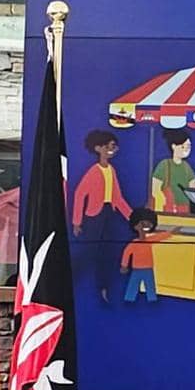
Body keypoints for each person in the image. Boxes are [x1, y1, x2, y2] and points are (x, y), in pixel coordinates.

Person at [72, 129, 132, 302]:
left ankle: (103, 287)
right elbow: (79, 194)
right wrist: (77, 221)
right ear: (99, 148)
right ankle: (72, 278)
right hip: (94, 215)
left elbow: (118, 198)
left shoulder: (111, 170)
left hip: (108, 213)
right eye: (110, 146)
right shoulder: (94, 171)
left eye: (114, 147)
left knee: (106, 251)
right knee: (89, 251)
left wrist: (131, 218)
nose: (113, 150)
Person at [151, 127, 195, 213]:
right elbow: (155, 190)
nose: (186, 149)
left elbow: (194, 188)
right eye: (183, 146)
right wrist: (162, 201)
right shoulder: (164, 165)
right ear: (174, 146)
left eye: (188, 146)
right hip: (166, 208)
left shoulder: (186, 167)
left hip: (184, 207)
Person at [121, 206, 160, 303]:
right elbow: (126, 253)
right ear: (135, 226)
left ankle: (152, 299)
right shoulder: (134, 243)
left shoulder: (150, 240)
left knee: (150, 285)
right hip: (137, 268)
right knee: (133, 285)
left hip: (148, 268)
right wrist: (124, 266)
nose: (145, 227)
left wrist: (172, 232)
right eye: (142, 224)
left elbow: (161, 236)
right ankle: (129, 300)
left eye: (148, 224)